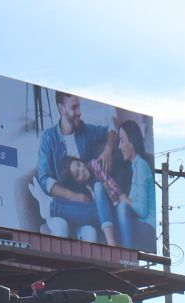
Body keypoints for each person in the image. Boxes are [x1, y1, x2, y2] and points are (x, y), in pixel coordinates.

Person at [37, 92, 112, 241]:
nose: (79, 112)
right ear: (61, 108)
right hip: (63, 202)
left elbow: (111, 130)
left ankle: (50, 206)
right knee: (61, 228)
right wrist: (72, 196)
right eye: (74, 108)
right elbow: (44, 179)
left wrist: (108, 150)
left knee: (91, 234)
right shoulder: (49, 138)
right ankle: (53, 207)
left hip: (84, 205)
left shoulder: (85, 130)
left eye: (79, 107)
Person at [115, 119, 157, 252]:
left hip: (147, 227)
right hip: (142, 226)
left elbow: (142, 210)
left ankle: (126, 256)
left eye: (122, 141)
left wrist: (125, 201)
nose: (119, 147)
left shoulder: (141, 166)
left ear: (131, 142)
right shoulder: (136, 167)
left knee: (121, 209)